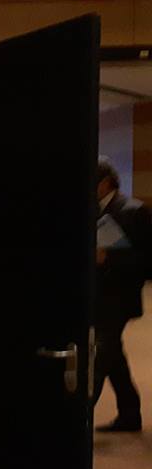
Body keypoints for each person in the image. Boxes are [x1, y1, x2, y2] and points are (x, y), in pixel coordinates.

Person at [94, 157, 147, 433]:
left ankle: (76, 421)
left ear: (105, 183)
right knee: (113, 356)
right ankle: (130, 413)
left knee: (100, 355)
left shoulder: (134, 211)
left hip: (121, 298)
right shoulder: (93, 211)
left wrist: (109, 259)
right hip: (98, 296)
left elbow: (148, 262)